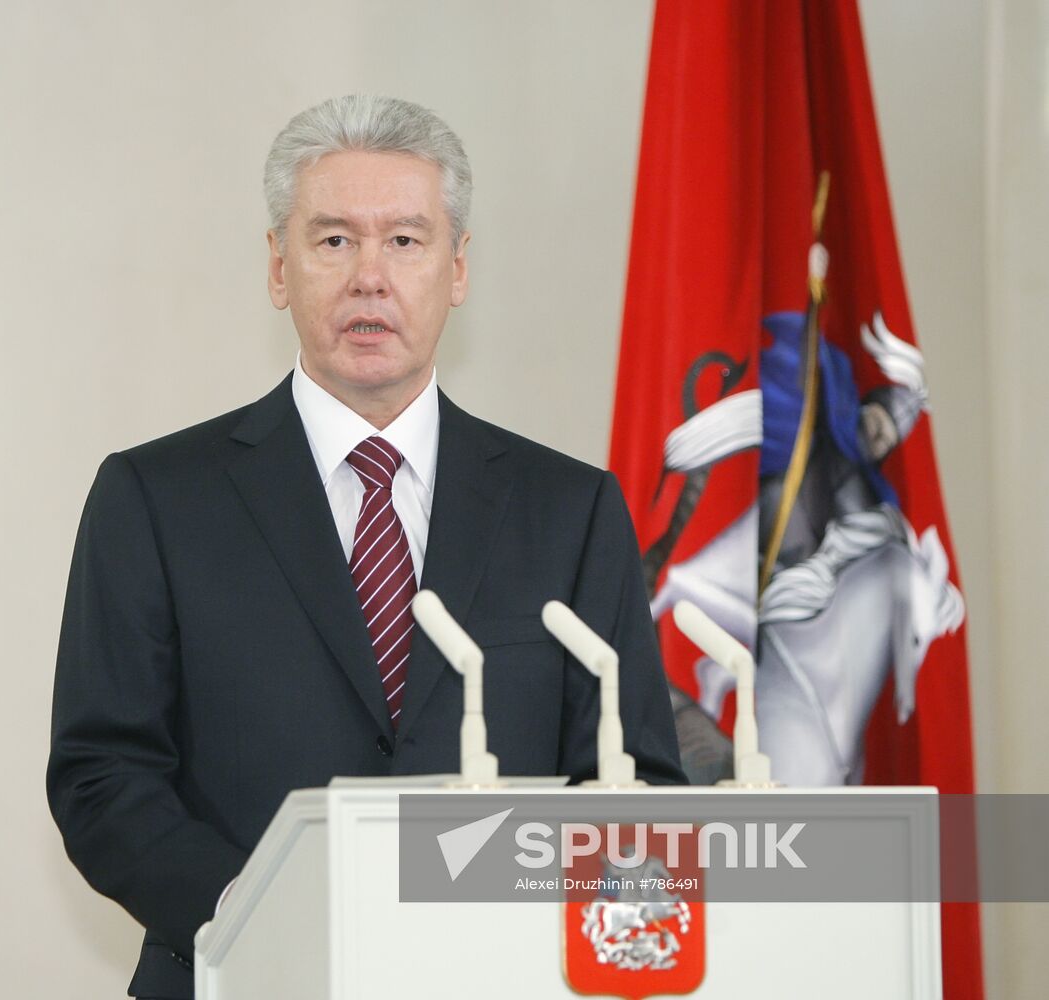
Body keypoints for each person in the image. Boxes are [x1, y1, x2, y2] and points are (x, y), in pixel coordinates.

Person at [47, 94, 685, 999]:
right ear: (279, 268)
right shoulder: (153, 497)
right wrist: (264, 915)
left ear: (457, 268)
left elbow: (634, 782)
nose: (369, 277)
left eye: (406, 241)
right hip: (239, 974)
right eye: (334, 240)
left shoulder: (570, 509)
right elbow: (101, 774)